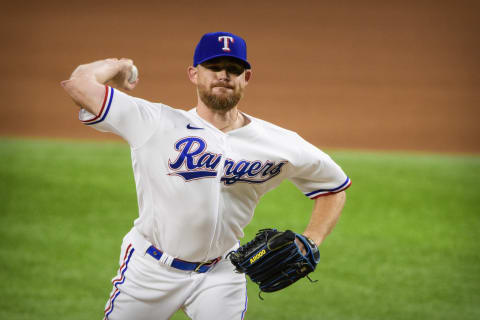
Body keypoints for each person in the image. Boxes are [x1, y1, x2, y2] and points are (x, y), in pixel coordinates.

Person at [61, 31, 351, 320]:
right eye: (213, 67)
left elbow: (333, 186)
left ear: (246, 78)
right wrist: (120, 65)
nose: (223, 75)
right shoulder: (154, 122)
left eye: (233, 69)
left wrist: (311, 240)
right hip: (150, 270)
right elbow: (79, 84)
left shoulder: (279, 142)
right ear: (194, 74)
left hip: (222, 273)